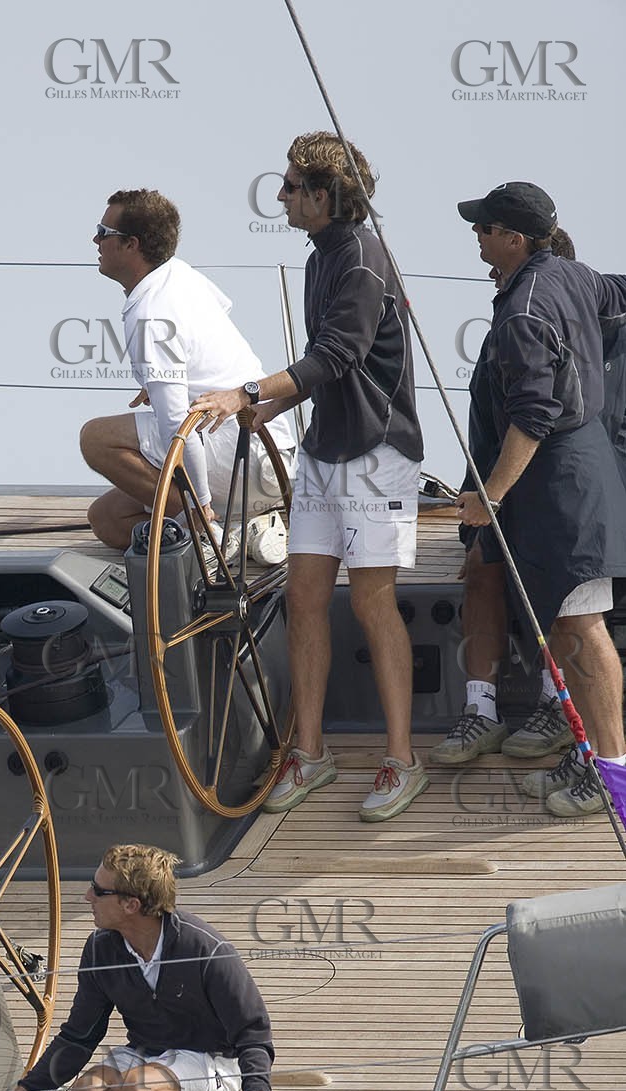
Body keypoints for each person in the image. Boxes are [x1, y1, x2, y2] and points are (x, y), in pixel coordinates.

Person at [195, 132, 426, 823]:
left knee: (372, 602)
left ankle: (401, 759)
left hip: (378, 453)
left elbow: (338, 354)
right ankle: (311, 752)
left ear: (324, 196)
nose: (280, 195)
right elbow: (321, 364)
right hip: (325, 451)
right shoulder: (320, 255)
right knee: (302, 597)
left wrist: (247, 391)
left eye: (292, 186)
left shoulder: (361, 257)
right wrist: (266, 406)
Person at [441, 183, 626, 815]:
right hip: (576, 473)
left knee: (581, 626)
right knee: (568, 625)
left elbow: (533, 416)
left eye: (484, 228)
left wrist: (487, 498)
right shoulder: (575, 276)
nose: (477, 236)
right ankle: (593, 759)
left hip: (563, 484)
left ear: (514, 239)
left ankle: (614, 778)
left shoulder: (523, 309)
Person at [0, 843, 285, 1091]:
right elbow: (78, 1036)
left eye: (98, 891)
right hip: (146, 1053)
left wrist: (257, 1087)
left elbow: (252, 1030)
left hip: (211, 1059)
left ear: (131, 905)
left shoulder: (206, 950)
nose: (88, 896)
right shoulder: (100, 950)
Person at [80, 188, 295, 555]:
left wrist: (199, 505)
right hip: (272, 460)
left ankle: (207, 531)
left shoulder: (152, 315)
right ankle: (246, 530)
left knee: (95, 438)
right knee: (107, 519)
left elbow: (175, 426)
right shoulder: (179, 273)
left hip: (237, 457)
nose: (95, 240)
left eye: (103, 232)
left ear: (131, 244)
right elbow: (220, 312)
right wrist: (169, 373)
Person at [434, 227, 579, 770]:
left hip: (560, 494)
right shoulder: (507, 327)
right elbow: (489, 428)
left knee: (558, 582)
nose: (493, 274)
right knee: (481, 568)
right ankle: (481, 710)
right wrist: (480, 503)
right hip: (499, 491)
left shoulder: (568, 330)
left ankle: (554, 703)